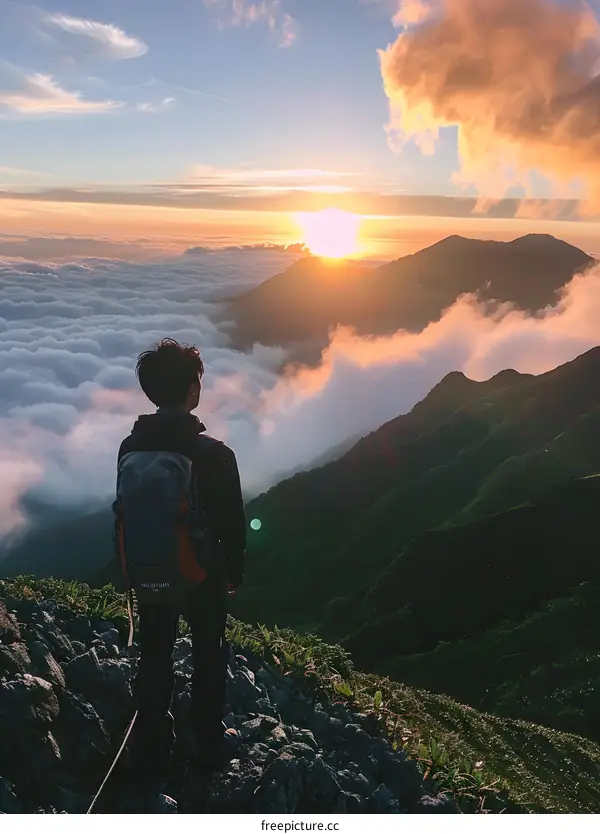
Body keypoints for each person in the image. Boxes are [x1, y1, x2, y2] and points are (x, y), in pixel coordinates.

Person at [116, 338, 246, 804]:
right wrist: (235, 571)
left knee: (155, 655)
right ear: (193, 389)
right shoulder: (213, 454)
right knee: (208, 653)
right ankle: (208, 745)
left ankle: (152, 750)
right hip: (202, 573)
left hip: (150, 569)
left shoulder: (130, 446)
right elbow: (232, 523)